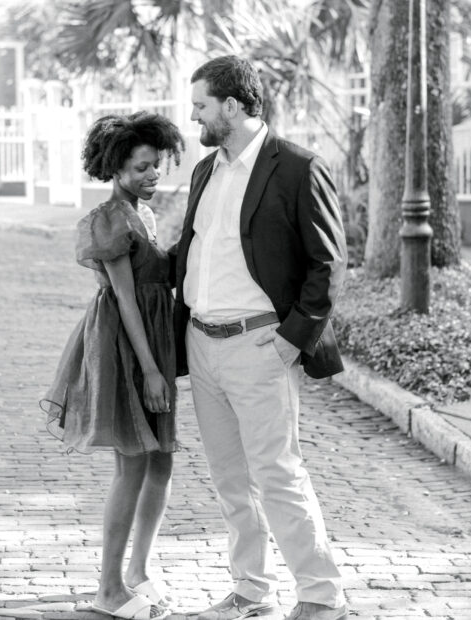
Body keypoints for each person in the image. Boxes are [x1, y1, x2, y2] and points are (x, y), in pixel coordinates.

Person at [172, 56, 348, 620]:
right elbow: (194, 251)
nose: (192, 114)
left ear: (231, 105)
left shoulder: (297, 167)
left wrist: (291, 341)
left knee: (276, 473)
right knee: (229, 479)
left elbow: (328, 263)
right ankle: (251, 591)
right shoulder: (207, 170)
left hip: (259, 346)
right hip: (203, 343)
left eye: (200, 104)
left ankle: (321, 597)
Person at [41, 112, 184, 620]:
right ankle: (108, 590)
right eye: (142, 168)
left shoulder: (140, 214)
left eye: (156, 165)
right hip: (126, 346)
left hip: (150, 341)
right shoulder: (112, 219)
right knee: (133, 462)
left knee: (160, 460)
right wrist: (148, 369)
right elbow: (125, 299)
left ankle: (137, 573)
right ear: (117, 168)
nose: (153, 175)